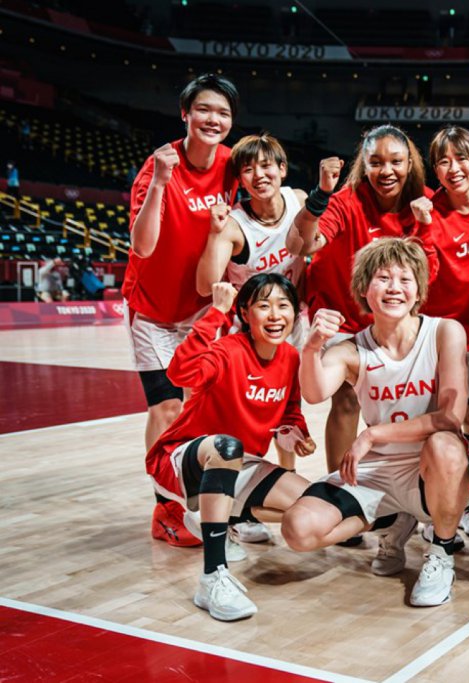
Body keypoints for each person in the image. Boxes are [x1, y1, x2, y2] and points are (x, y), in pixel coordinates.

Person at [281, 238, 469, 608]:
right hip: (378, 473)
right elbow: (315, 392)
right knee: (298, 530)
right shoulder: (354, 349)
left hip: (431, 470)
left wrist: (373, 433)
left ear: (418, 289)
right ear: (364, 289)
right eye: (383, 278)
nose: (394, 288)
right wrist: (310, 347)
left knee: (446, 445)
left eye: (404, 279)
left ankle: (441, 552)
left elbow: (450, 417)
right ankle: (392, 521)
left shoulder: (444, 332)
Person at [146, 274, 316, 621]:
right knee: (227, 446)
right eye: (263, 305)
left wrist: (298, 433)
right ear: (245, 313)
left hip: (239, 464)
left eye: (283, 305)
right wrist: (216, 312)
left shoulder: (290, 358)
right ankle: (212, 576)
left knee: (314, 505)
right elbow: (180, 373)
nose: (274, 315)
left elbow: (290, 411)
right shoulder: (227, 350)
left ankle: (213, 522)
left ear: (295, 314)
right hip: (182, 460)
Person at [124, 73, 240, 547]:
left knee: (200, 410)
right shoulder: (158, 167)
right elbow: (142, 246)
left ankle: (202, 503)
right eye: (205, 110)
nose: (214, 119)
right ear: (185, 114)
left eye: (224, 113)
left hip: (201, 310)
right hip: (152, 310)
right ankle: (165, 510)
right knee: (167, 407)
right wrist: (162, 183)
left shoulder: (235, 165)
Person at [287, 125, 434, 478]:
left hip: (391, 322)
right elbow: (303, 245)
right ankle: (339, 489)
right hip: (341, 315)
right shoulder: (346, 200)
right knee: (348, 397)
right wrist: (321, 194)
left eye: (396, 161)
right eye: (376, 162)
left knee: (409, 402)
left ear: (409, 163)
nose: (387, 171)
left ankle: (400, 486)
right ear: (363, 166)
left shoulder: (425, 202)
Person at [195, 133, 309, 495]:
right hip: (247, 335)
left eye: (265, 165)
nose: (259, 174)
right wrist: (215, 234)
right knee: (247, 418)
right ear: (240, 180)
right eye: (247, 169)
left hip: (291, 324)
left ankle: (282, 483)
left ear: (282, 169)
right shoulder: (234, 225)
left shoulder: (300, 201)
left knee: (287, 413)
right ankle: (237, 496)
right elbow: (204, 285)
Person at [414, 126, 469, 542]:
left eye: (462, 158)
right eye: (443, 161)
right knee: (444, 425)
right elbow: (425, 276)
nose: (454, 168)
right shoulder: (428, 211)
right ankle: (443, 505)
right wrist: (425, 227)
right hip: (441, 336)